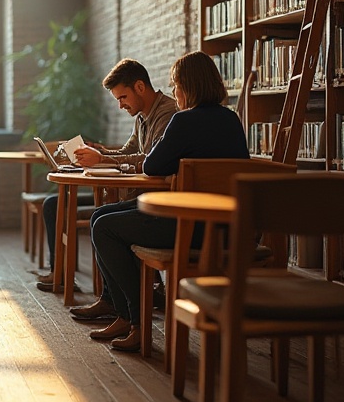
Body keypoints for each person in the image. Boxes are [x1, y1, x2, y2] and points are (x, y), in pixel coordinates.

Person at [75, 50, 248, 351]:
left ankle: (136, 321)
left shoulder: (182, 121)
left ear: (189, 86)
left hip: (188, 227)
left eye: (176, 84)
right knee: (101, 216)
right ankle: (125, 314)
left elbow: (153, 164)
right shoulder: (232, 120)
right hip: (227, 227)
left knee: (103, 226)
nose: (173, 91)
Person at [34, 58, 178, 291]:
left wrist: (102, 159)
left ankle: (120, 296)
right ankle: (61, 275)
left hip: (147, 198)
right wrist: (101, 152)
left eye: (123, 97)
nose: (121, 105)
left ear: (140, 87)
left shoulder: (168, 114)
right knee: (53, 203)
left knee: (101, 218)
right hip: (131, 192)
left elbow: (148, 160)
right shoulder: (142, 116)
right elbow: (127, 153)